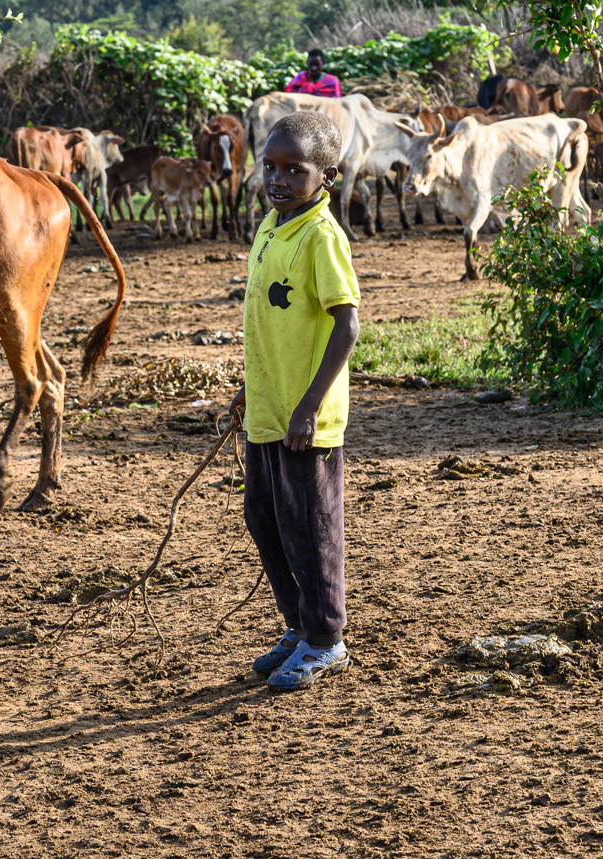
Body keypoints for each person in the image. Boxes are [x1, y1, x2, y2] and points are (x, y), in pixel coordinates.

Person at [229, 111, 360, 691]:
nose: (278, 179)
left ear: (326, 176)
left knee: (311, 523)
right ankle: (298, 625)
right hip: (267, 407)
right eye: (271, 167)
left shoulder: (321, 237)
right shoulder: (269, 227)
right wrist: (249, 388)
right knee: (266, 516)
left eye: (294, 169)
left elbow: (347, 326)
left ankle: (326, 637)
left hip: (306, 416)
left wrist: (309, 406)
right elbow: (266, 325)